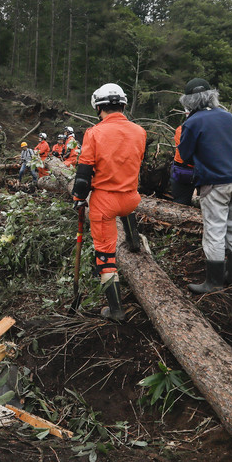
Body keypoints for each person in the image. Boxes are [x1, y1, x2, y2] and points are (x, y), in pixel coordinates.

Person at [72, 83, 146, 321]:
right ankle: (134, 240)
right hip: (132, 198)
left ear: (99, 107)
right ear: (123, 105)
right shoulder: (140, 132)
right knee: (125, 207)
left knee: (105, 255)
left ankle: (115, 310)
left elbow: (83, 176)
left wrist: (78, 198)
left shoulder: (94, 133)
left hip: (105, 203)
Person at [176, 78, 232, 293]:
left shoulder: (192, 122)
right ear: (212, 96)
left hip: (214, 182)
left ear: (188, 102)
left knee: (214, 231)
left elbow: (185, 154)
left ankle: (214, 282)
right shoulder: (230, 117)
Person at [169, 112, 196, 206]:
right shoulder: (206, 130)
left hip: (182, 171)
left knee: (181, 201)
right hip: (190, 171)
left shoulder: (181, 129)